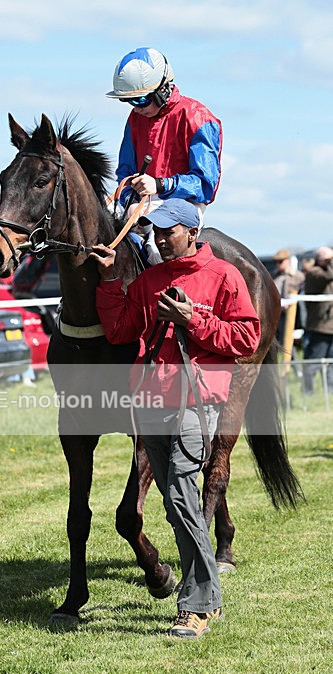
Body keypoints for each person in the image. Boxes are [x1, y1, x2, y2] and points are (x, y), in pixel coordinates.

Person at [92, 198, 261, 638]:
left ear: (192, 232)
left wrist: (193, 320)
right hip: (151, 400)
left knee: (182, 498)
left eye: (169, 231)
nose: (161, 239)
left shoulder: (224, 276)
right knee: (174, 503)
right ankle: (209, 596)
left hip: (195, 402)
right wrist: (109, 279)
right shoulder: (150, 280)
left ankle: (197, 605)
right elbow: (121, 330)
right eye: (157, 232)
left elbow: (247, 338)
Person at [107, 46, 222, 240]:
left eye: (140, 100)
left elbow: (205, 186)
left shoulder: (199, 118)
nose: (136, 108)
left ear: (162, 89)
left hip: (183, 203)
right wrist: (129, 201)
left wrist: (160, 185)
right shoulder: (135, 118)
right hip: (141, 201)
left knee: (156, 245)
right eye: (129, 101)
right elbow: (125, 172)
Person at [302, 246, 333, 394]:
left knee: (331, 363)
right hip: (320, 326)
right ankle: (308, 393)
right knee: (314, 362)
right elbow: (327, 276)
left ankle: (330, 393)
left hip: (330, 326)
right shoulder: (314, 273)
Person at [271, 248, 304, 345]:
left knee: (289, 339)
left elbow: (302, 294)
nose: (278, 264)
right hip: (277, 312)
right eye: (276, 262)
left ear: (288, 260)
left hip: (293, 313)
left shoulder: (298, 276)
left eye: (280, 261)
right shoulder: (274, 276)